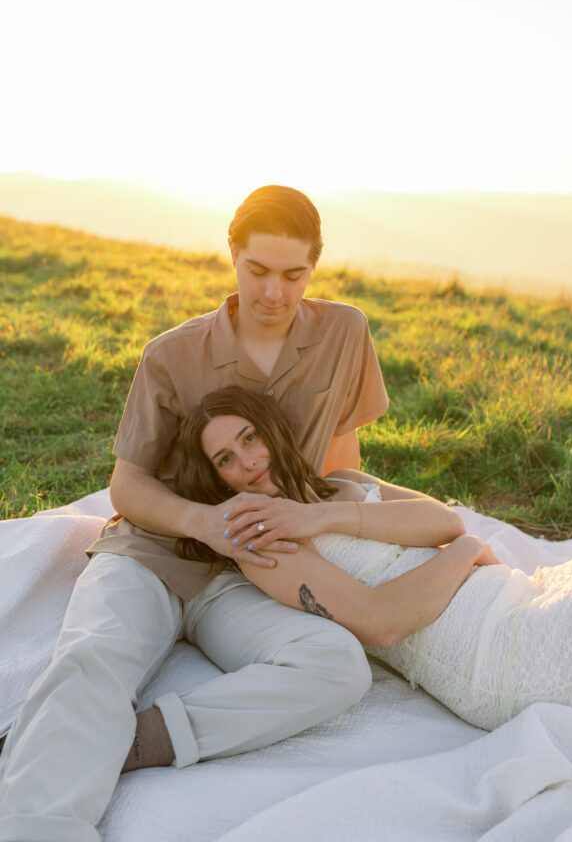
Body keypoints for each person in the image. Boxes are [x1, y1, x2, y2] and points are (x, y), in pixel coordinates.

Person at [0, 186, 388, 842]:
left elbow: (341, 454)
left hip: (255, 572)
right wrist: (203, 523)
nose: (274, 292)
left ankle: (133, 741)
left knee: (338, 666)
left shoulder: (345, 332)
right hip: (155, 552)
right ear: (232, 257)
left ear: (314, 268)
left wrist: (351, 525)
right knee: (91, 658)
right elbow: (128, 484)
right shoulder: (172, 353)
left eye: (294, 275)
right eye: (257, 271)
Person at [177, 386, 572, 732]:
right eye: (225, 459)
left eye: (250, 437)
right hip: (500, 654)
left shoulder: (344, 484)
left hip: (525, 596)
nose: (247, 461)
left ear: (270, 428)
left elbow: (442, 521)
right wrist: (464, 554)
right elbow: (381, 622)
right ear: (218, 479)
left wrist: (322, 517)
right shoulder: (264, 546)